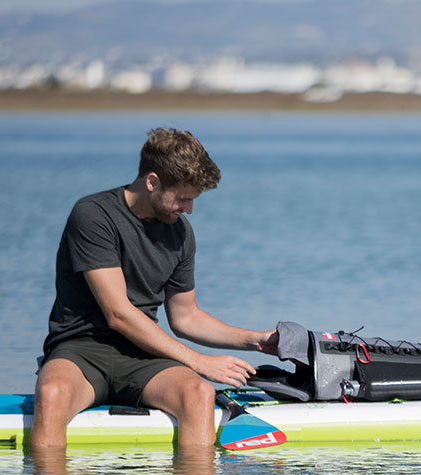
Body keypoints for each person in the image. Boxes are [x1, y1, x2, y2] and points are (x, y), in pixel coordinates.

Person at [30, 128, 278, 450]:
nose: (189, 209)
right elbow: (119, 314)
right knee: (51, 396)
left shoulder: (180, 234)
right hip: (81, 351)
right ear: (152, 182)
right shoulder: (93, 216)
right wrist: (200, 362)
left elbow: (185, 317)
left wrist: (255, 340)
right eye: (183, 198)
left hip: (142, 356)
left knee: (199, 394)